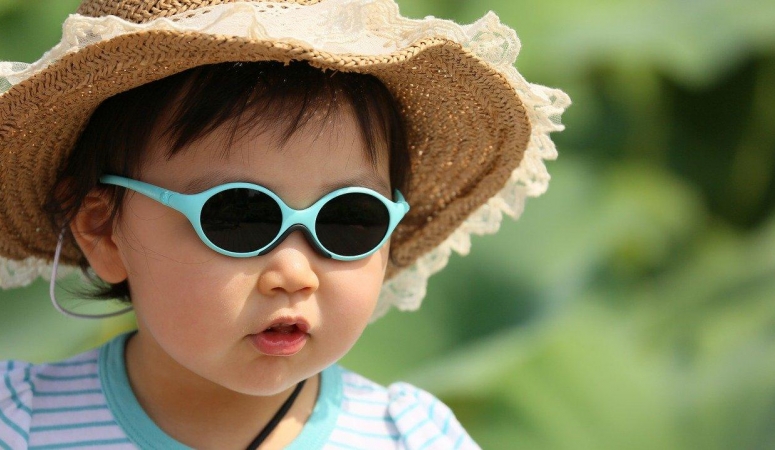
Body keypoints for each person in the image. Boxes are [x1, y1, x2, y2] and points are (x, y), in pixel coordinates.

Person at [0, 0, 569, 448]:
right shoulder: (21, 425)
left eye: (349, 218)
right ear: (103, 230)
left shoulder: (408, 437)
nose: (295, 273)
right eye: (240, 216)